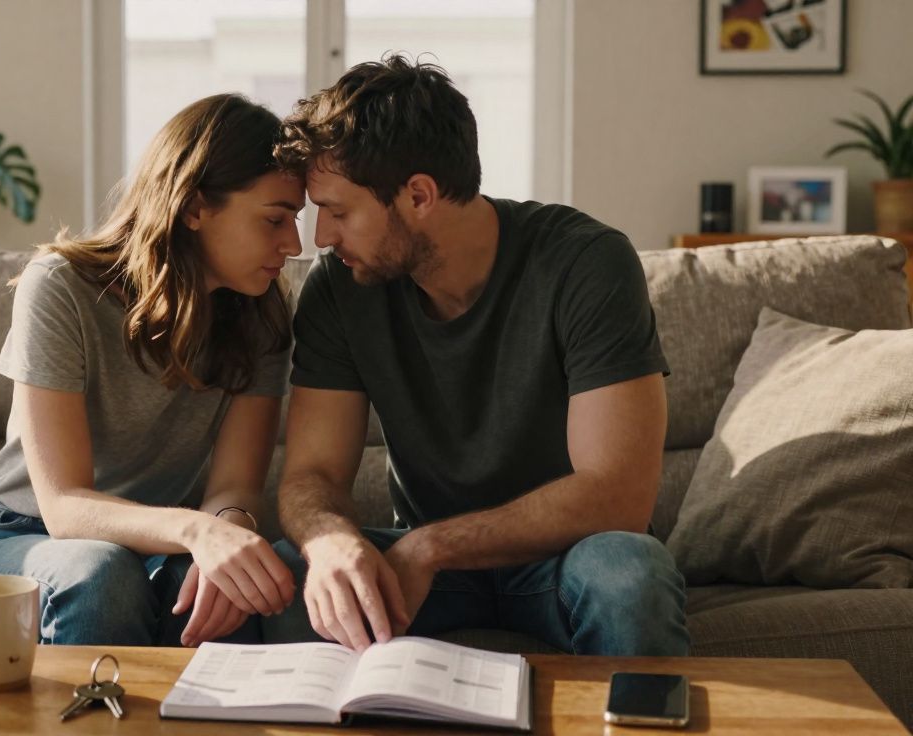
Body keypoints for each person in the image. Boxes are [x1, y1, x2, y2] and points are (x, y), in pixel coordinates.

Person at [263, 55, 689, 656]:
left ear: (418, 195)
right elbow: (313, 476)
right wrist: (331, 541)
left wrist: (431, 547)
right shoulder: (339, 288)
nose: (323, 239)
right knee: (296, 577)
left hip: (566, 560)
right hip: (422, 569)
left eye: (338, 211)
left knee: (631, 571)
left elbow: (617, 494)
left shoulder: (585, 263)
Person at [0, 93, 304, 647]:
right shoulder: (61, 286)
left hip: (167, 543)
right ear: (195, 207)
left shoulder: (263, 314)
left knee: (229, 587)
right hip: (22, 535)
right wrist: (196, 529)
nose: (294, 244)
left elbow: (234, 487)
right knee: (103, 575)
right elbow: (63, 507)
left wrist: (225, 535)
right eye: (275, 219)